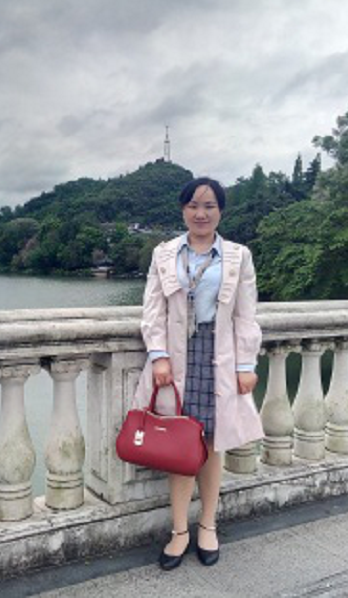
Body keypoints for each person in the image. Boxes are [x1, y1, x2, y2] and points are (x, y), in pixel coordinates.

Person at [133, 177, 264, 570]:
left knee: (211, 443)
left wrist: (246, 364)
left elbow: (246, 314)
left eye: (209, 205)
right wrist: (158, 355)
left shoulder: (238, 256)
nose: (201, 213)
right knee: (179, 447)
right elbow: (152, 309)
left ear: (220, 211)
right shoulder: (164, 254)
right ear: (183, 209)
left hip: (217, 354)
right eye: (193, 205)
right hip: (176, 356)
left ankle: (208, 525)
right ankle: (179, 531)